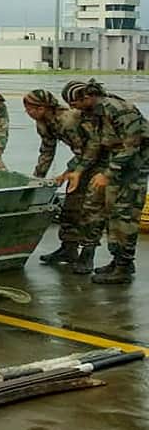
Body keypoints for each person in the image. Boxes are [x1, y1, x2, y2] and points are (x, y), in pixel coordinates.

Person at [63, 79, 148, 284]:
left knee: (124, 216)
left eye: (74, 104)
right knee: (112, 214)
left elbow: (131, 145)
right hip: (119, 166)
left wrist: (107, 174)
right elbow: (95, 144)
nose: (72, 109)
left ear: (86, 97)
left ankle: (124, 267)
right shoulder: (94, 113)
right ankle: (118, 261)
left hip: (134, 167)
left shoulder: (118, 109)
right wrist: (79, 170)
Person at [23, 88, 95, 267]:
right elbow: (47, 151)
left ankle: (87, 255)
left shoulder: (67, 120)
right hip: (82, 162)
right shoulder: (43, 122)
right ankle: (69, 249)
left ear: (41, 108)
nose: (28, 113)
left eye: (29, 109)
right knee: (70, 207)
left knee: (89, 210)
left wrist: (68, 173)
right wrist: (37, 180)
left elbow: (86, 150)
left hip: (96, 160)